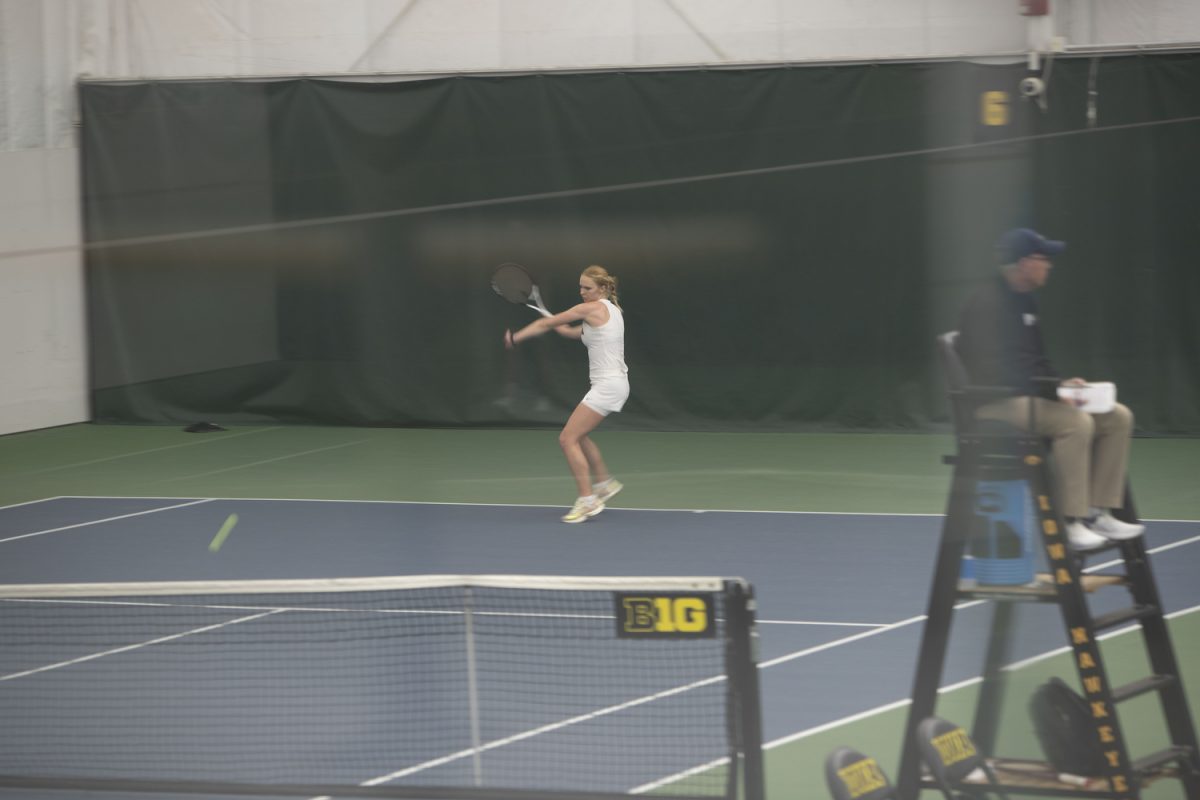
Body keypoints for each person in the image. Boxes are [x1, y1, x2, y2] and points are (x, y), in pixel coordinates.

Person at [956, 228, 1144, 551]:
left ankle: (1099, 512)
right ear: (1025, 263)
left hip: (1029, 398)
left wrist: (1064, 386)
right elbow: (997, 370)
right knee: (1075, 422)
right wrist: (1053, 392)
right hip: (993, 403)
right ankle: (1070, 522)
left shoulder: (1026, 301)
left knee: (1117, 417)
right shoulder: (987, 304)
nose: (1050, 266)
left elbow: (1036, 360)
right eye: (1045, 260)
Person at [505, 265, 628, 523]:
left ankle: (587, 500)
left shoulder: (592, 309)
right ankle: (604, 483)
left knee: (567, 439)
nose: (582, 292)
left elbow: (544, 324)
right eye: (580, 287)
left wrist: (516, 337)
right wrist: (556, 323)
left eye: (588, 288)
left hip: (608, 386)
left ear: (603, 289)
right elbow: (570, 331)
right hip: (615, 384)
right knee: (579, 436)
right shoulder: (613, 312)